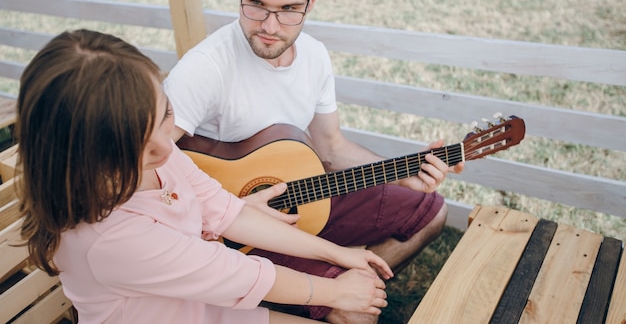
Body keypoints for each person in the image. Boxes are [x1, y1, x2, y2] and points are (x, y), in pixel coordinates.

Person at [164, 0, 464, 324]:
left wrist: (401, 174)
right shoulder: (204, 69)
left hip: (306, 206)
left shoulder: (316, 57)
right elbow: (144, 168)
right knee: (352, 314)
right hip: (233, 239)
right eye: (255, 4)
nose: (270, 27)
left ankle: (346, 288)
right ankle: (323, 299)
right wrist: (232, 211)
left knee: (430, 211)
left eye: (288, 9)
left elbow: (331, 147)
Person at [16, 29, 393, 324]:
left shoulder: (157, 154)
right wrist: (333, 292)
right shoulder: (108, 238)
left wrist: (338, 254)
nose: (166, 150)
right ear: (85, 158)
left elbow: (229, 211)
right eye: (137, 148)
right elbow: (237, 274)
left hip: (206, 311)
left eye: (164, 115)